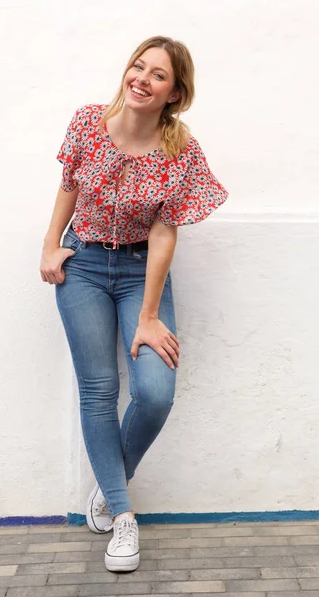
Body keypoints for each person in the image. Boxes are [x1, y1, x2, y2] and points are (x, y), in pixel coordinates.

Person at [40, 35, 229, 573]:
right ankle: (124, 519)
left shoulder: (181, 152)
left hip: (141, 272)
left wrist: (148, 316)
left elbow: (166, 233)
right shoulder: (87, 122)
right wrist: (51, 244)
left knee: (154, 390)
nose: (141, 79)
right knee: (99, 390)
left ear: (175, 93)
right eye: (137, 67)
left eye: (158, 75)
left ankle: (108, 487)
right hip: (84, 265)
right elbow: (68, 185)